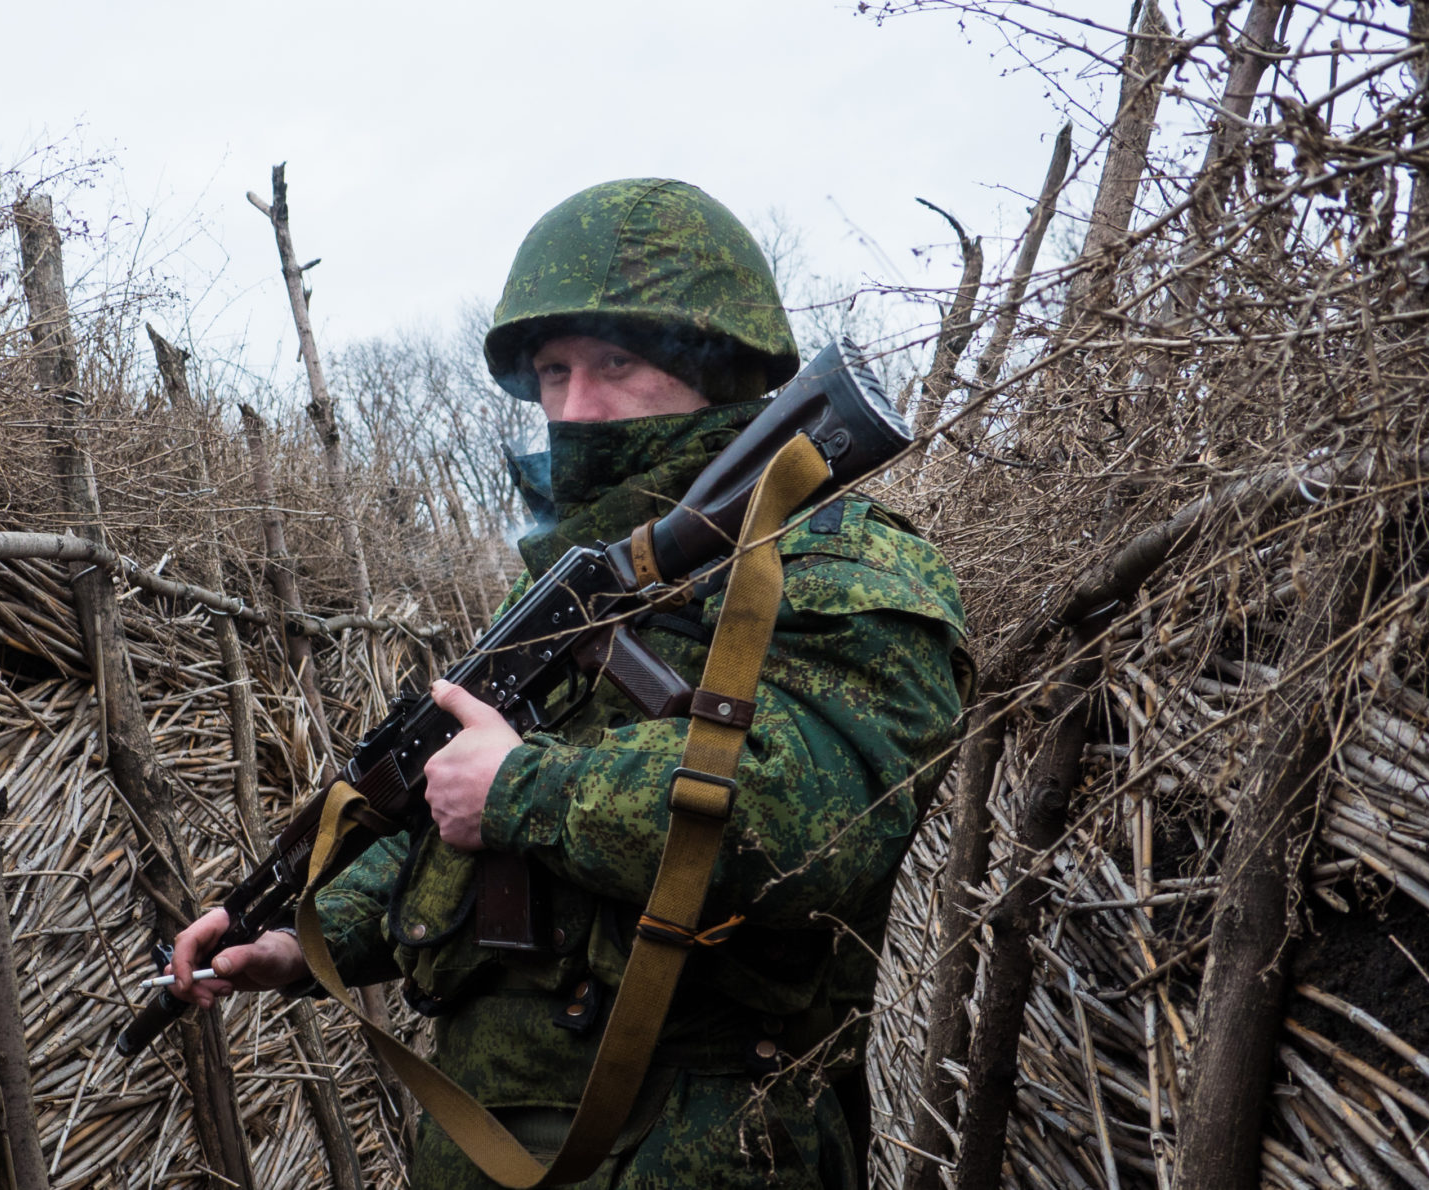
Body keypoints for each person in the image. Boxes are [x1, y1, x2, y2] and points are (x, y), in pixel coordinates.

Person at [168, 178, 972, 1189]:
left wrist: (520, 789)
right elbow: (434, 825)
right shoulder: (563, 582)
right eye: (552, 372)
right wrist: (297, 934)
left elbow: (816, 829)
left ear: (715, 365)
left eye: (616, 364)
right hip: (488, 1145)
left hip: (702, 1148)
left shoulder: (840, 565)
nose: (576, 408)